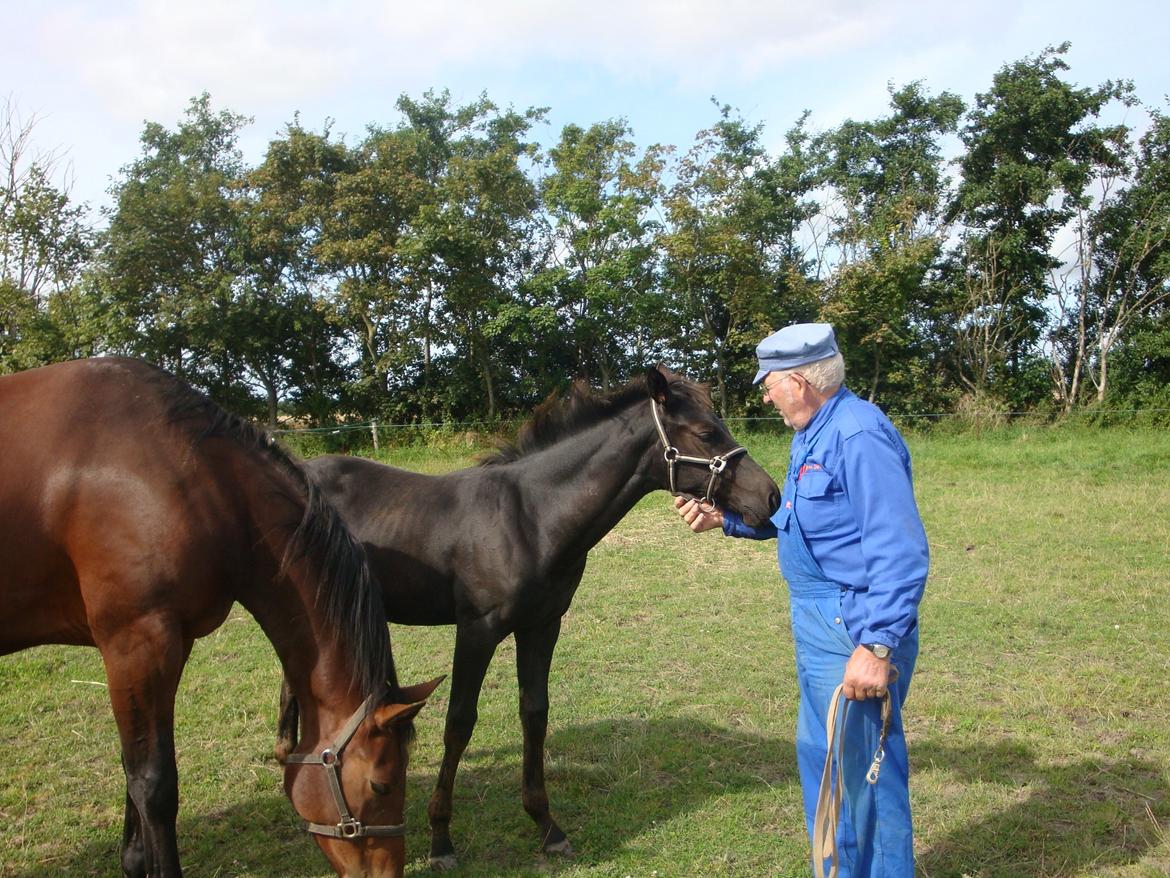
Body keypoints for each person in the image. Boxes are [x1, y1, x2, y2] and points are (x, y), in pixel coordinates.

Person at [674, 323, 928, 877]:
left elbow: (900, 547)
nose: (764, 392)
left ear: (799, 381)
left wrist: (877, 646)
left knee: (865, 773)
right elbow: (805, 522)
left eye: (770, 382)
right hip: (820, 623)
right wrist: (728, 520)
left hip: (853, 625)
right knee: (826, 762)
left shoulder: (857, 435)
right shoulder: (814, 431)